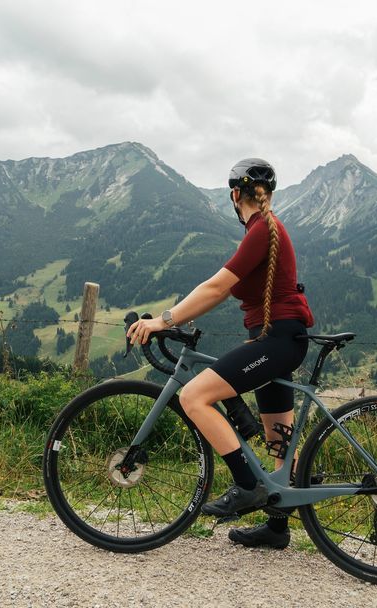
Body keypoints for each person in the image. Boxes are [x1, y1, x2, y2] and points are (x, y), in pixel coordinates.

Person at [127, 158, 315, 549]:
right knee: (278, 441)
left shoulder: (263, 229)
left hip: (276, 341)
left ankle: (247, 486)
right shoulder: (266, 229)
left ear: (235, 196)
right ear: (268, 194)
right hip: (277, 339)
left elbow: (216, 288)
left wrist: (164, 319)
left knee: (193, 396)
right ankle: (277, 529)